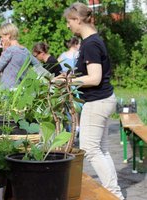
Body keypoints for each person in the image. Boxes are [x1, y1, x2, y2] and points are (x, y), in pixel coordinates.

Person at [63, 2, 124, 199]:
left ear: (77, 20)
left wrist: (67, 81)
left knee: (90, 149)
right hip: (104, 100)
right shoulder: (92, 41)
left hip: (97, 102)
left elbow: (94, 78)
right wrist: (68, 77)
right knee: (102, 150)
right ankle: (114, 193)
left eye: (68, 21)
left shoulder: (90, 43)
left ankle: (114, 194)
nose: (67, 26)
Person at [0, 23, 40, 89]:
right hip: (20, 89)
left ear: (8, 36)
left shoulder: (10, 50)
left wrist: (4, 51)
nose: (1, 39)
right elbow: (38, 65)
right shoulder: (26, 51)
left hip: (7, 89)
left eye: (1, 36)